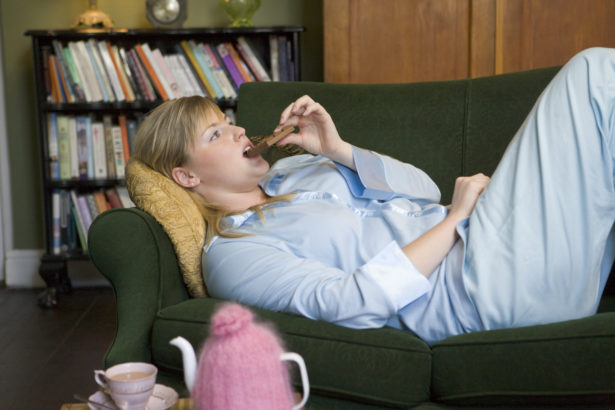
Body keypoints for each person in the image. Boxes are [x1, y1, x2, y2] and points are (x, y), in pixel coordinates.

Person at [132, 47, 615, 345]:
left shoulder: (299, 169)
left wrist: (337, 149)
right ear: (187, 177)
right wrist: (456, 219)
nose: (237, 130)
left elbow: (424, 189)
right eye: (215, 135)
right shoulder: (235, 254)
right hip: (479, 289)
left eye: (228, 121)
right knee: (594, 76)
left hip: (511, 250)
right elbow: (350, 304)